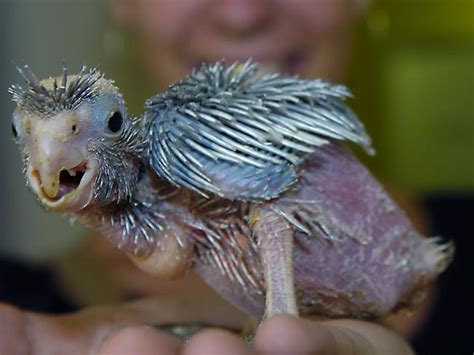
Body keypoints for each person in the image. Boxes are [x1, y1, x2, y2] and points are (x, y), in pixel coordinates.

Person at [0, 0, 429, 353]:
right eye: (25, 135)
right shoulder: (17, 300)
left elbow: (268, 203)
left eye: (106, 123)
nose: (241, 14)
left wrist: (277, 318)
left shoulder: (173, 139)